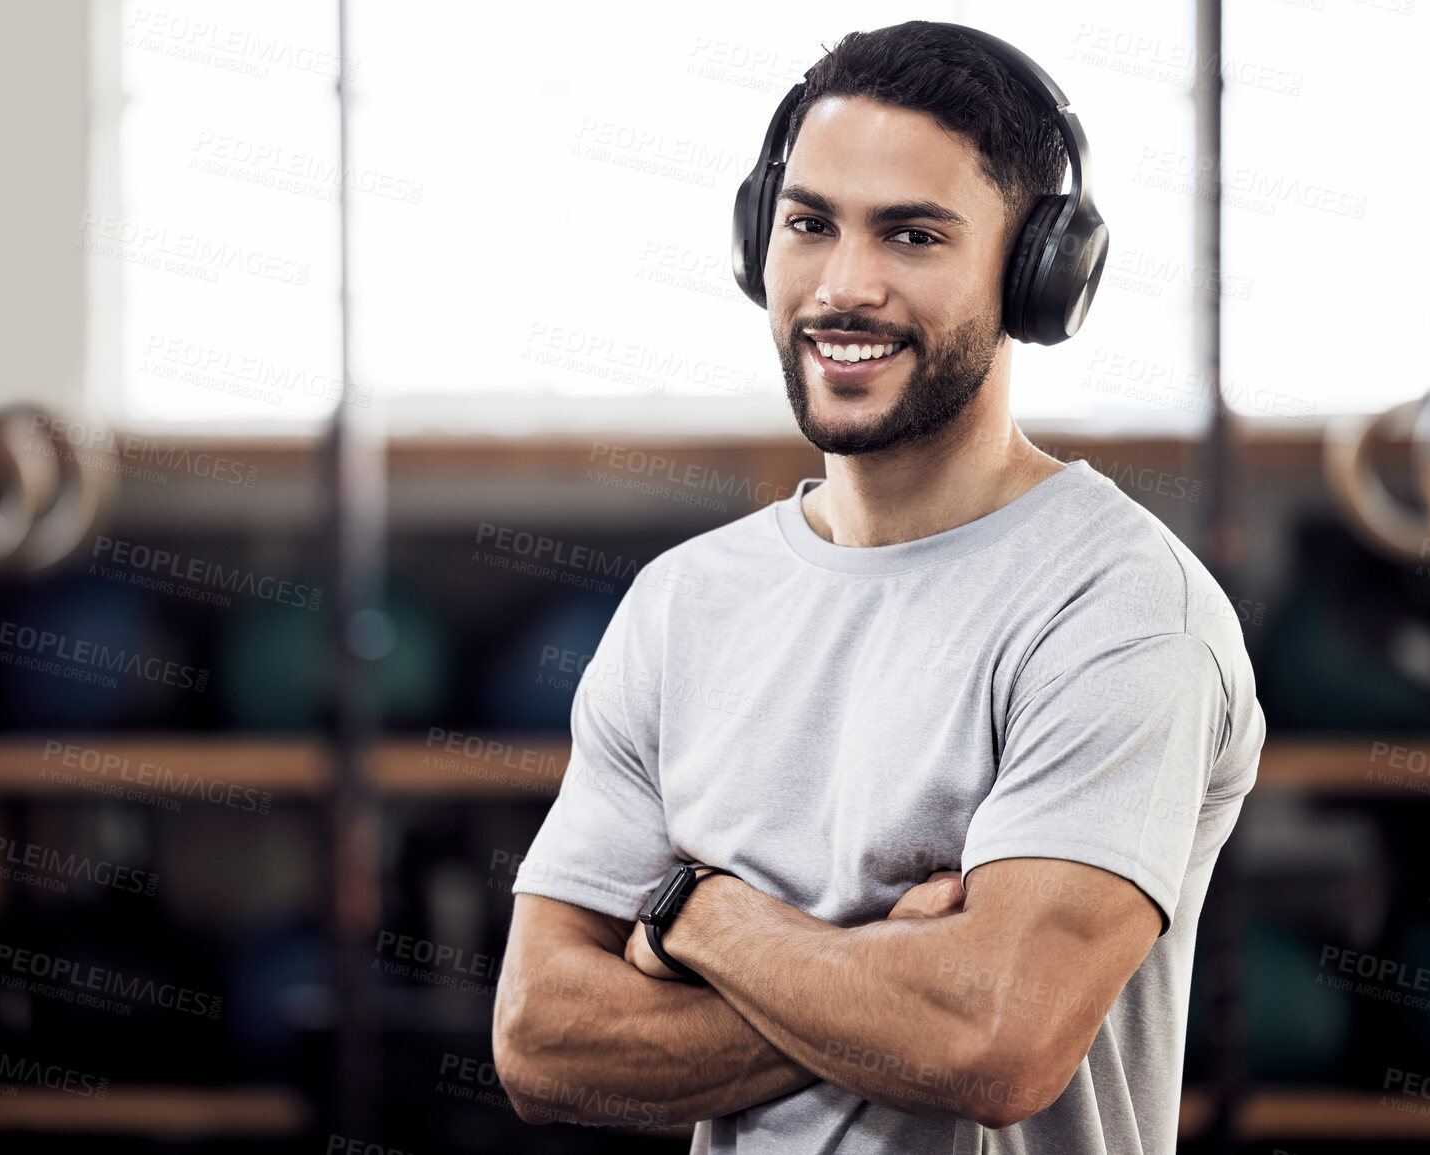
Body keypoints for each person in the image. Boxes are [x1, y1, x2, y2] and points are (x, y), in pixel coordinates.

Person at [492, 20, 1265, 1154]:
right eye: (809, 225)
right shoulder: (683, 605)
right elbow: (543, 1043)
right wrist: (884, 973)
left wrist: (696, 915)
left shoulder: (1123, 610)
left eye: (911, 235)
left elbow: (994, 1045)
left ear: (1038, 274)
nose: (843, 288)